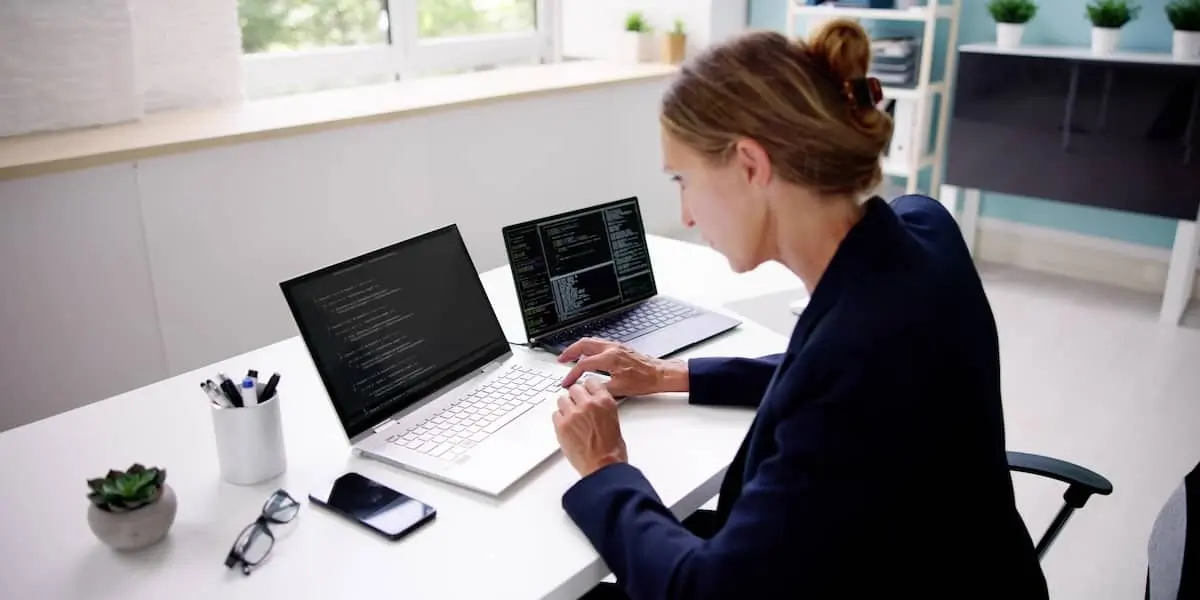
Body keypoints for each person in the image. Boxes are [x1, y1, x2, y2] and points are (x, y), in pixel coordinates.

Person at [548, 18, 1049, 600]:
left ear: (751, 166)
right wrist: (669, 374)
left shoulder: (859, 362)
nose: (684, 213)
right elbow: (825, 373)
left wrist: (606, 466)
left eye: (683, 179)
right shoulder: (921, 228)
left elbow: (709, 593)